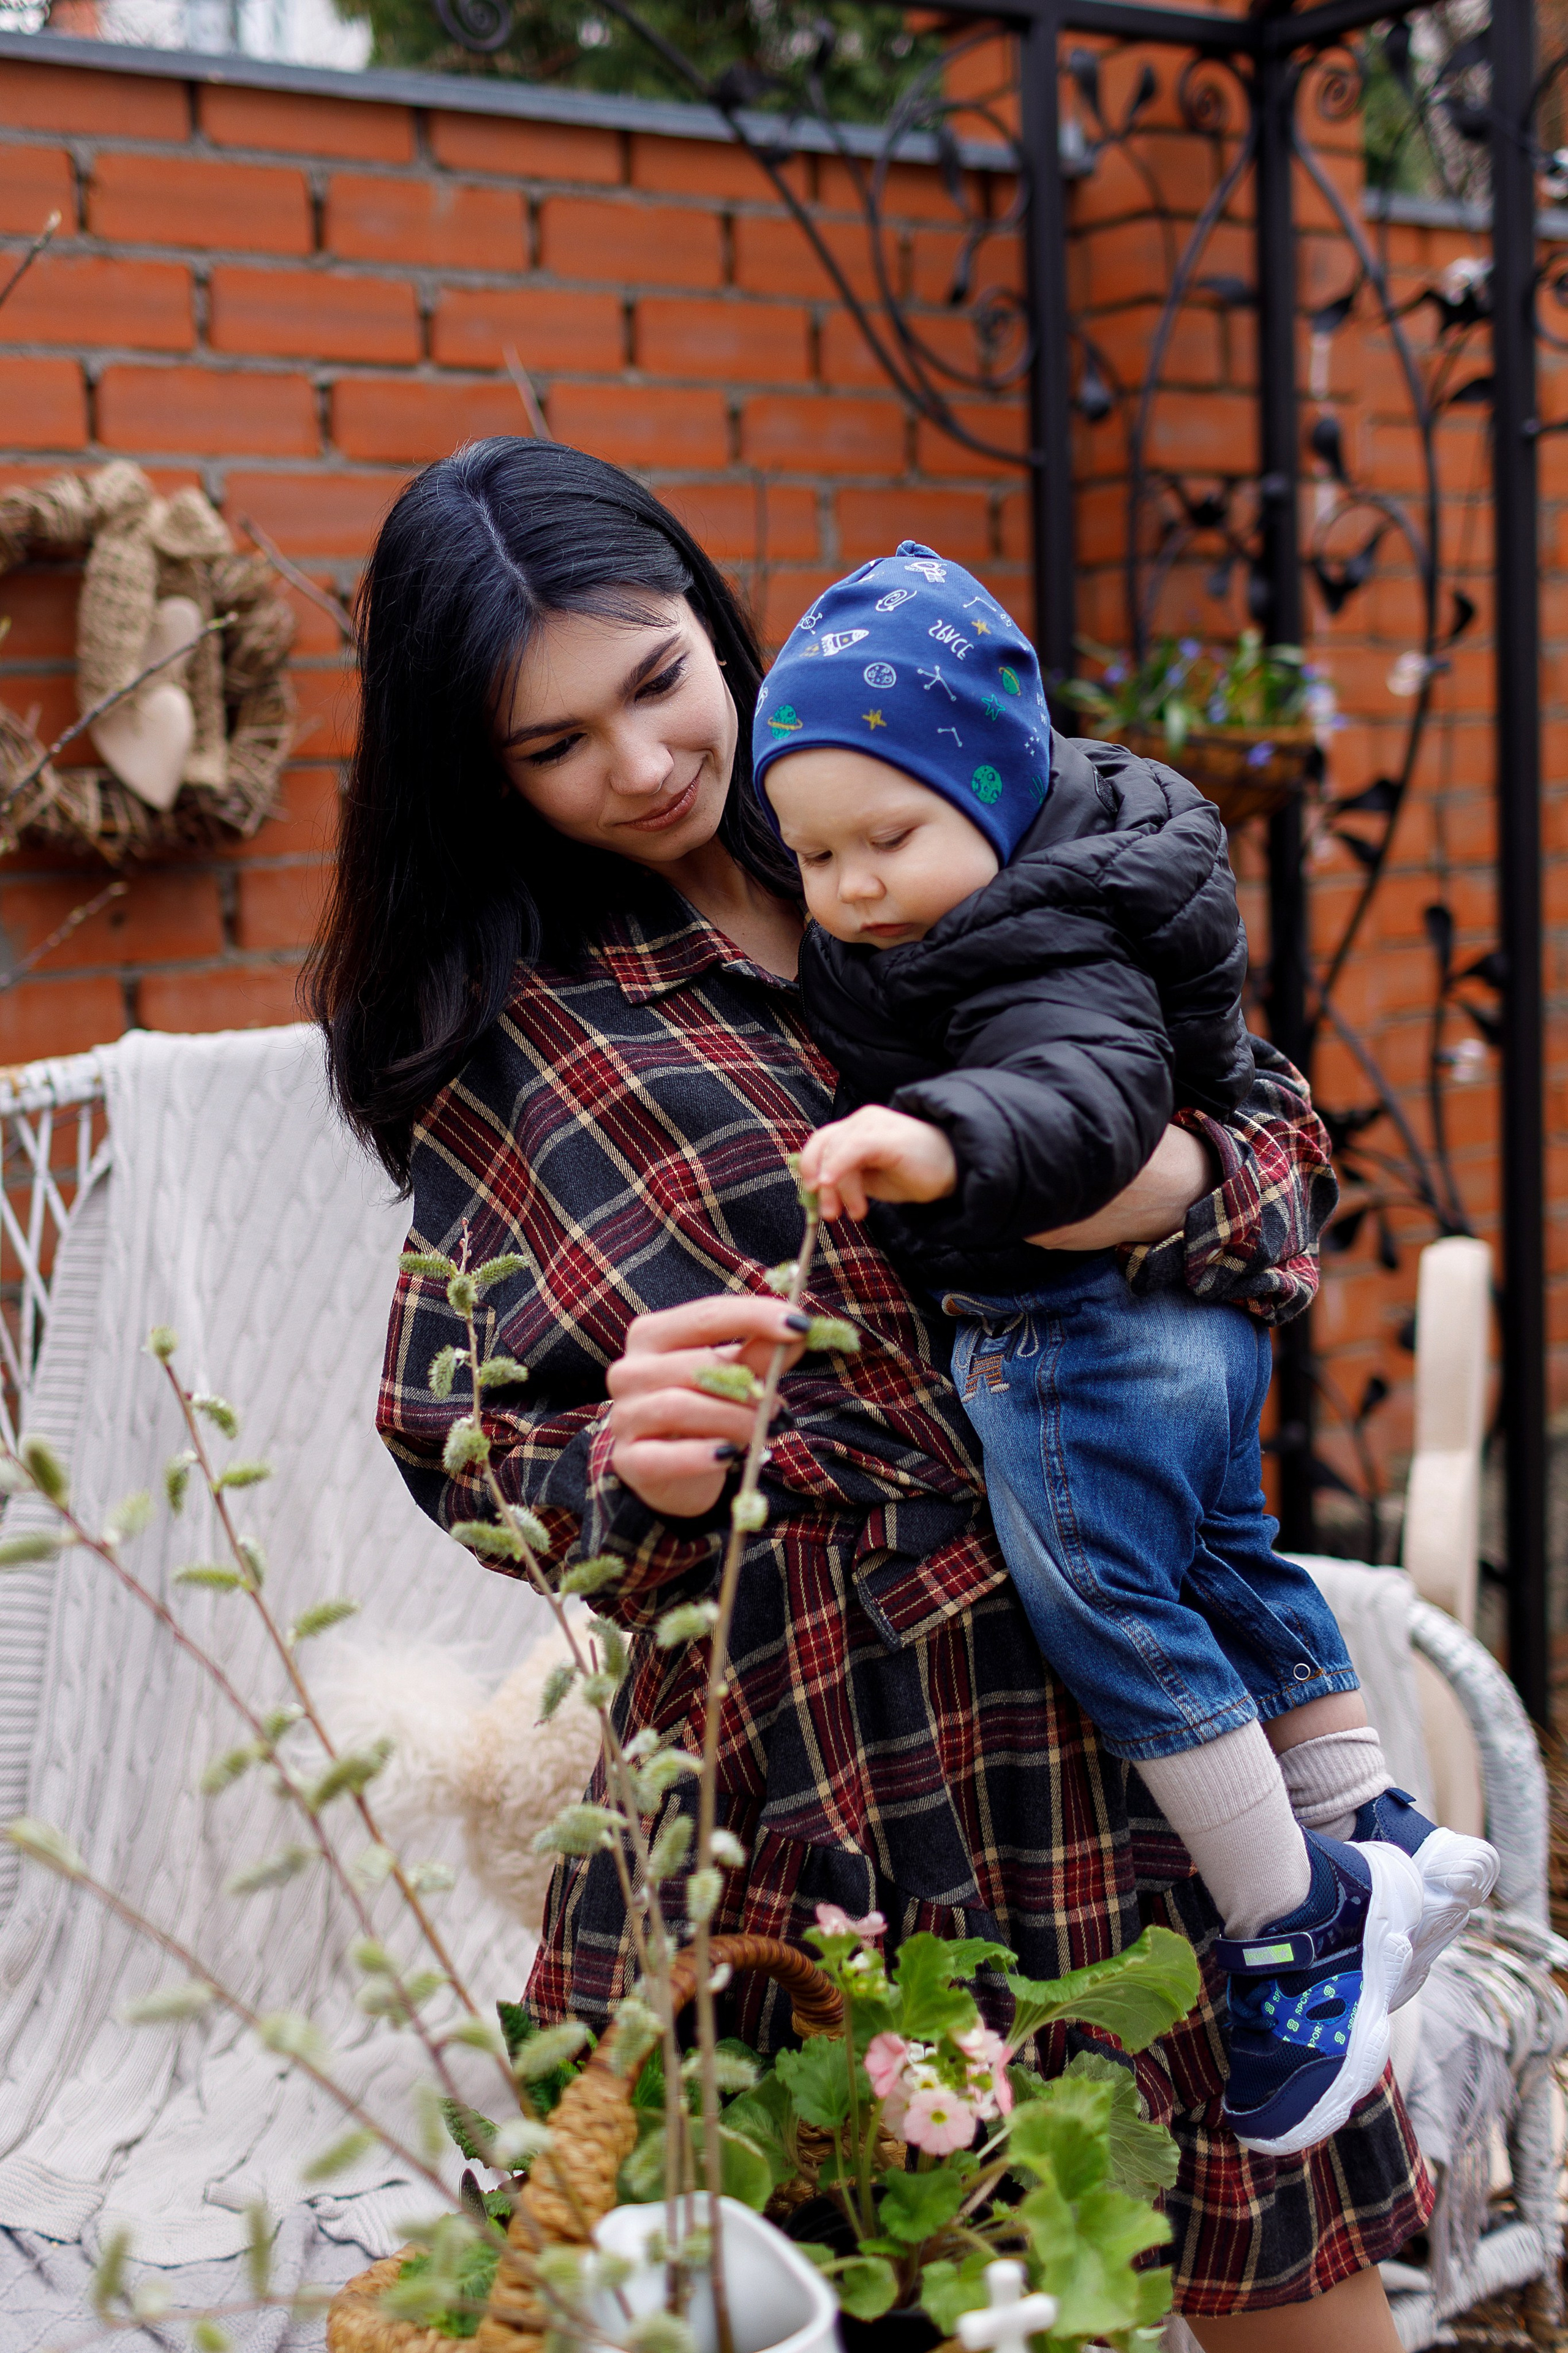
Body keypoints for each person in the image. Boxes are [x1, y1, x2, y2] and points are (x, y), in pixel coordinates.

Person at [308, 436, 1431, 2351]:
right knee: (898, 2283)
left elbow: (1273, 1164)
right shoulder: (513, 1037)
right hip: (810, 1769)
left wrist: (1154, 1185)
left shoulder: (954, 824)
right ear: (476, 772)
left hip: (1124, 1711)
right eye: (553, 744)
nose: (645, 764)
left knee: (1288, 2285)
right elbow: (457, 1423)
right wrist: (614, 1455)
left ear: (709, 617)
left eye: (658, 679)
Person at [753, 544, 1498, 2156]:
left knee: (1119, 1620)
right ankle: (1370, 1816)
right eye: (815, 855)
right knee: (1230, 1561)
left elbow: (1083, 1100)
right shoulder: (1059, 876)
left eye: (890, 836)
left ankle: (1292, 1916)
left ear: (1001, 795)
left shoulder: (1034, 940)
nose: (856, 887)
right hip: (1192, 1326)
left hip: (1078, 1332)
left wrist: (940, 1136)